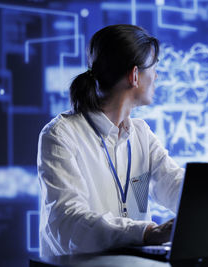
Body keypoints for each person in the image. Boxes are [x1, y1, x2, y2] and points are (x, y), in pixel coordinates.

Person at [37, 24, 184, 257]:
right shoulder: (60, 135)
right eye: (154, 68)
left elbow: (173, 184)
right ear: (135, 75)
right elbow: (69, 223)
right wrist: (147, 232)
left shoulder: (141, 134)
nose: (156, 76)